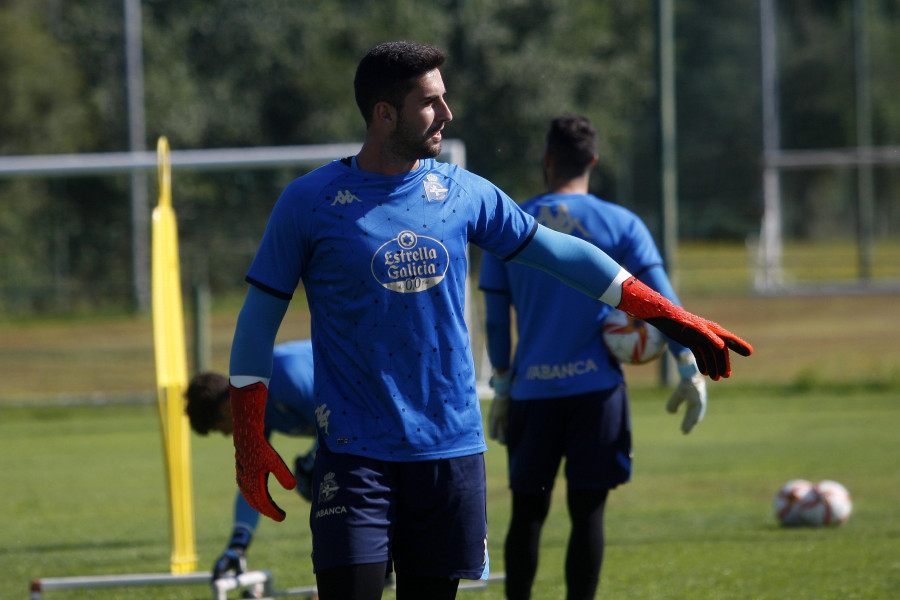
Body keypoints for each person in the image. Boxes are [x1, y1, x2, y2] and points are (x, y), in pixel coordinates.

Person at [227, 41, 752, 600]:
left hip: (450, 452)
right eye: (430, 102)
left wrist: (669, 315)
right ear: (385, 113)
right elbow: (257, 325)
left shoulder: (461, 192)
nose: (447, 114)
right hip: (355, 457)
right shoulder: (308, 202)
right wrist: (248, 441)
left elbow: (562, 254)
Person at [478, 114, 709, 600]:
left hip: (533, 394)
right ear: (594, 162)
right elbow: (665, 305)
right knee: (588, 515)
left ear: (547, 160)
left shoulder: (510, 224)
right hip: (596, 396)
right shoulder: (623, 224)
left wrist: (501, 385)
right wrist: (688, 368)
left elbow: (496, 320)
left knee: (527, 514)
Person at [186, 340, 317, 584]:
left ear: (227, 409)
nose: (226, 435)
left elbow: (350, 420)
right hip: (359, 422)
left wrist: (313, 460)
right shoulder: (251, 408)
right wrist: (238, 545)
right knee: (317, 479)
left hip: (389, 397)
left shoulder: (286, 376)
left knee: (322, 479)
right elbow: (252, 481)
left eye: (220, 428)